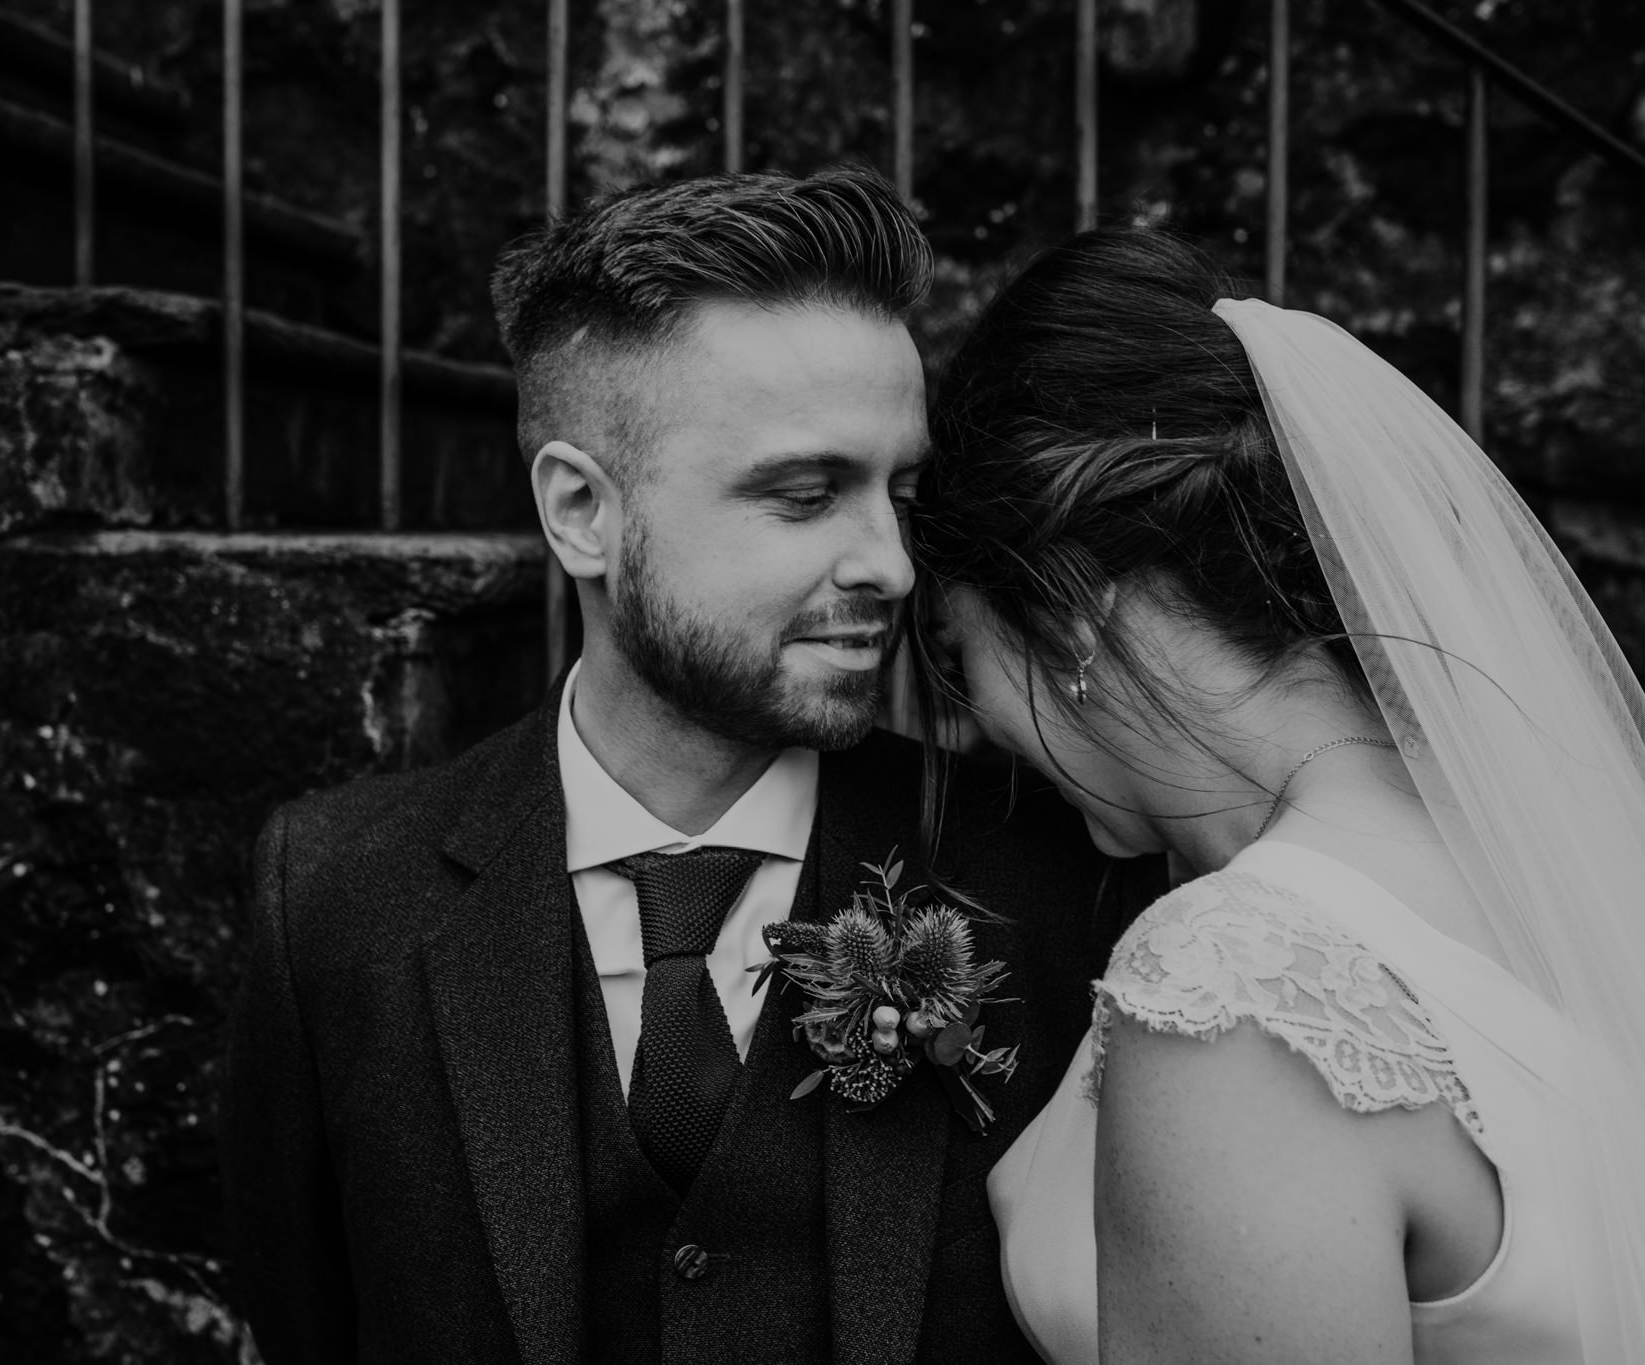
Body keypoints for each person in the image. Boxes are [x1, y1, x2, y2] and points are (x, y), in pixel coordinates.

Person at [221, 165, 1157, 1364]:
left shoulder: (1046, 875)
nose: (890, 564)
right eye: (805, 493)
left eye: (900, 494)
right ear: (580, 512)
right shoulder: (336, 900)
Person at [908, 226, 1645, 1363]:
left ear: (1069, 624)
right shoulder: (1554, 864)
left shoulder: (1240, 989)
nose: (980, 729)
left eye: (964, 660)